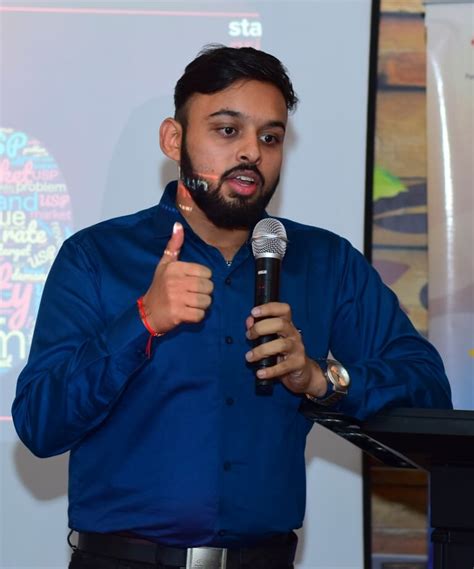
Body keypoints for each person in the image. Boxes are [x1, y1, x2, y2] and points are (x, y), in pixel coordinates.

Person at [12, 45, 452, 569]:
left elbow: (428, 389)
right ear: (173, 139)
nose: (251, 153)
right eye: (227, 130)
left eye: (270, 137)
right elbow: (39, 425)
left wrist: (320, 379)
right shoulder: (95, 257)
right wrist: (142, 320)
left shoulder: (324, 261)